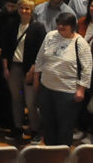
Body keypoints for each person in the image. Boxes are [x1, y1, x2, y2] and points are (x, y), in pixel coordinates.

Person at [31, 13, 92, 145]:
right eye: (58, 23)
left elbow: (87, 69)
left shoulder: (80, 43)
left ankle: (62, 155)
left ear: (72, 26)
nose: (60, 27)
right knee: (48, 124)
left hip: (67, 92)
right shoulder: (50, 36)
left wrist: (81, 90)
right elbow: (40, 59)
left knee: (65, 127)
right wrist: (36, 79)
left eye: (64, 25)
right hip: (46, 88)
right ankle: (50, 152)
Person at [0, 0, 44, 141]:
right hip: (14, 67)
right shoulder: (11, 25)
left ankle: (35, 131)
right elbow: (5, 48)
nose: (24, 11)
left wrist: (33, 71)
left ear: (32, 10)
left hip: (30, 69)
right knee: (16, 99)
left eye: (27, 8)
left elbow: (41, 52)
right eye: (22, 8)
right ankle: (17, 128)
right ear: (18, 9)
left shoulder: (38, 27)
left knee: (31, 102)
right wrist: (6, 67)